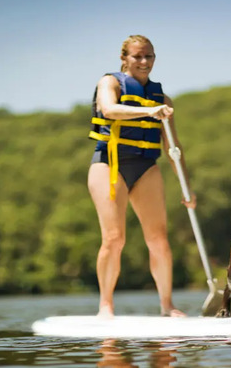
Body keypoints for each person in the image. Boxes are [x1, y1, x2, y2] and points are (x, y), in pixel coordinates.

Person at [87, 35, 195, 318]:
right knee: (114, 238)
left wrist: (187, 188)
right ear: (125, 58)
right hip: (109, 164)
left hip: (146, 167)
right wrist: (150, 111)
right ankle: (105, 306)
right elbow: (109, 109)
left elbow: (174, 147)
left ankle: (167, 305)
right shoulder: (110, 82)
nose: (144, 62)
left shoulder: (163, 99)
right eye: (138, 56)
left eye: (149, 56)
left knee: (159, 239)